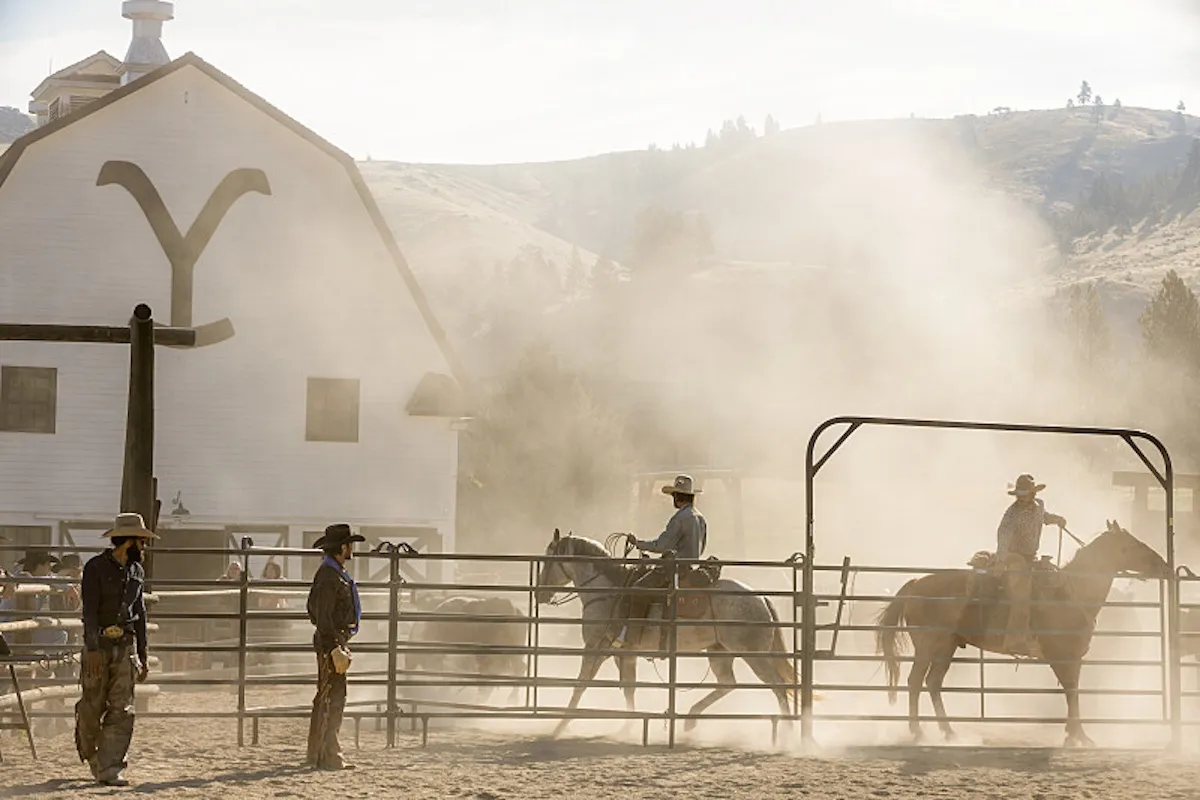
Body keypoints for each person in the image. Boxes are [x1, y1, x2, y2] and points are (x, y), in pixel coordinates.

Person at [75, 513, 158, 787]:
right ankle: (91, 753)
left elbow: (140, 613)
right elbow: (89, 610)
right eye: (141, 541)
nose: (143, 547)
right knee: (91, 706)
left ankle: (110, 767)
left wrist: (143, 655)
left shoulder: (137, 571)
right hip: (99, 645)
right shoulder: (96, 568)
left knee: (122, 708)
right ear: (129, 541)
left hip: (125, 644)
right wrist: (93, 646)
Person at [612, 474, 708, 652]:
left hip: (675, 568)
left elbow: (662, 545)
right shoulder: (699, 517)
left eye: (674, 496)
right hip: (690, 567)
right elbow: (700, 548)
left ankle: (630, 638)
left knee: (637, 590)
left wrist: (638, 543)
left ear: (677, 497)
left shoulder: (680, 518)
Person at [305, 523, 363, 771]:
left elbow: (315, 610)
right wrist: (333, 647)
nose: (352, 549)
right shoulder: (330, 576)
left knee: (329, 696)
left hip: (335, 640)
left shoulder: (331, 573)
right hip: (332, 641)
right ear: (343, 547)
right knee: (333, 697)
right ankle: (328, 755)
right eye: (350, 545)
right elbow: (321, 614)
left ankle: (321, 753)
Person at [995, 474, 1066, 658]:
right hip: (1013, 557)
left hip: (1030, 557)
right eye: (1019, 494)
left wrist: (1057, 519)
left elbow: (1044, 516)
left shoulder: (1039, 506)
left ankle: (1044, 631)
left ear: (1032, 494)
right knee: (1022, 592)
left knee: (1051, 580)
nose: (1021, 497)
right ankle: (1015, 640)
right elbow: (1003, 536)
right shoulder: (1012, 514)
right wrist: (1001, 561)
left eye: (1024, 494)